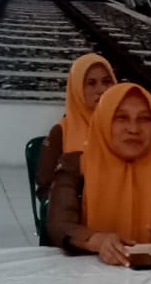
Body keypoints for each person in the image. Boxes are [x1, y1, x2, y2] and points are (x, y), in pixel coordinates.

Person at [46, 83, 151, 264]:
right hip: (89, 273)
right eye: (121, 118)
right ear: (103, 121)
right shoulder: (75, 165)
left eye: (144, 118)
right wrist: (97, 241)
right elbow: (59, 225)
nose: (134, 129)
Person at [35, 54, 116, 195]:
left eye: (107, 81)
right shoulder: (61, 131)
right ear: (77, 89)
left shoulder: (126, 127)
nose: (101, 89)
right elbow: (45, 185)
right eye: (91, 83)